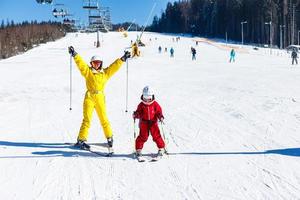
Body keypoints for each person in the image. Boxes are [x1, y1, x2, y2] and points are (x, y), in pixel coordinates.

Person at [68, 46, 131, 150]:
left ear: (101, 63)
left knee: (103, 118)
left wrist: (123, 59)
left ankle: (109, 137)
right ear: (91, 63)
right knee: (87, 119)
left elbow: (114, 67)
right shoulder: (88, 72)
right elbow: (81, 64)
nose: (96, 65)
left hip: (100, 97)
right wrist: (75, 54)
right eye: (94, 63)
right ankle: (81, 139)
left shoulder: (105, 73)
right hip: (89, 97)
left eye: (98, 63)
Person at [133, 86, 166, 158]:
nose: (147, 101)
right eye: (145, 98)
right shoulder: (141, 105)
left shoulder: (155, 104)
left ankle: (161, 148)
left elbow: (158, 112)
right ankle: (138, 150)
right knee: (143, 136)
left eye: (149, 99)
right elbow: (138, 113)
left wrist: (160, 117)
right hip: (144, 122)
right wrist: (136, 115)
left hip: (153, 122)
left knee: (156, 135)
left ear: (152, 97)